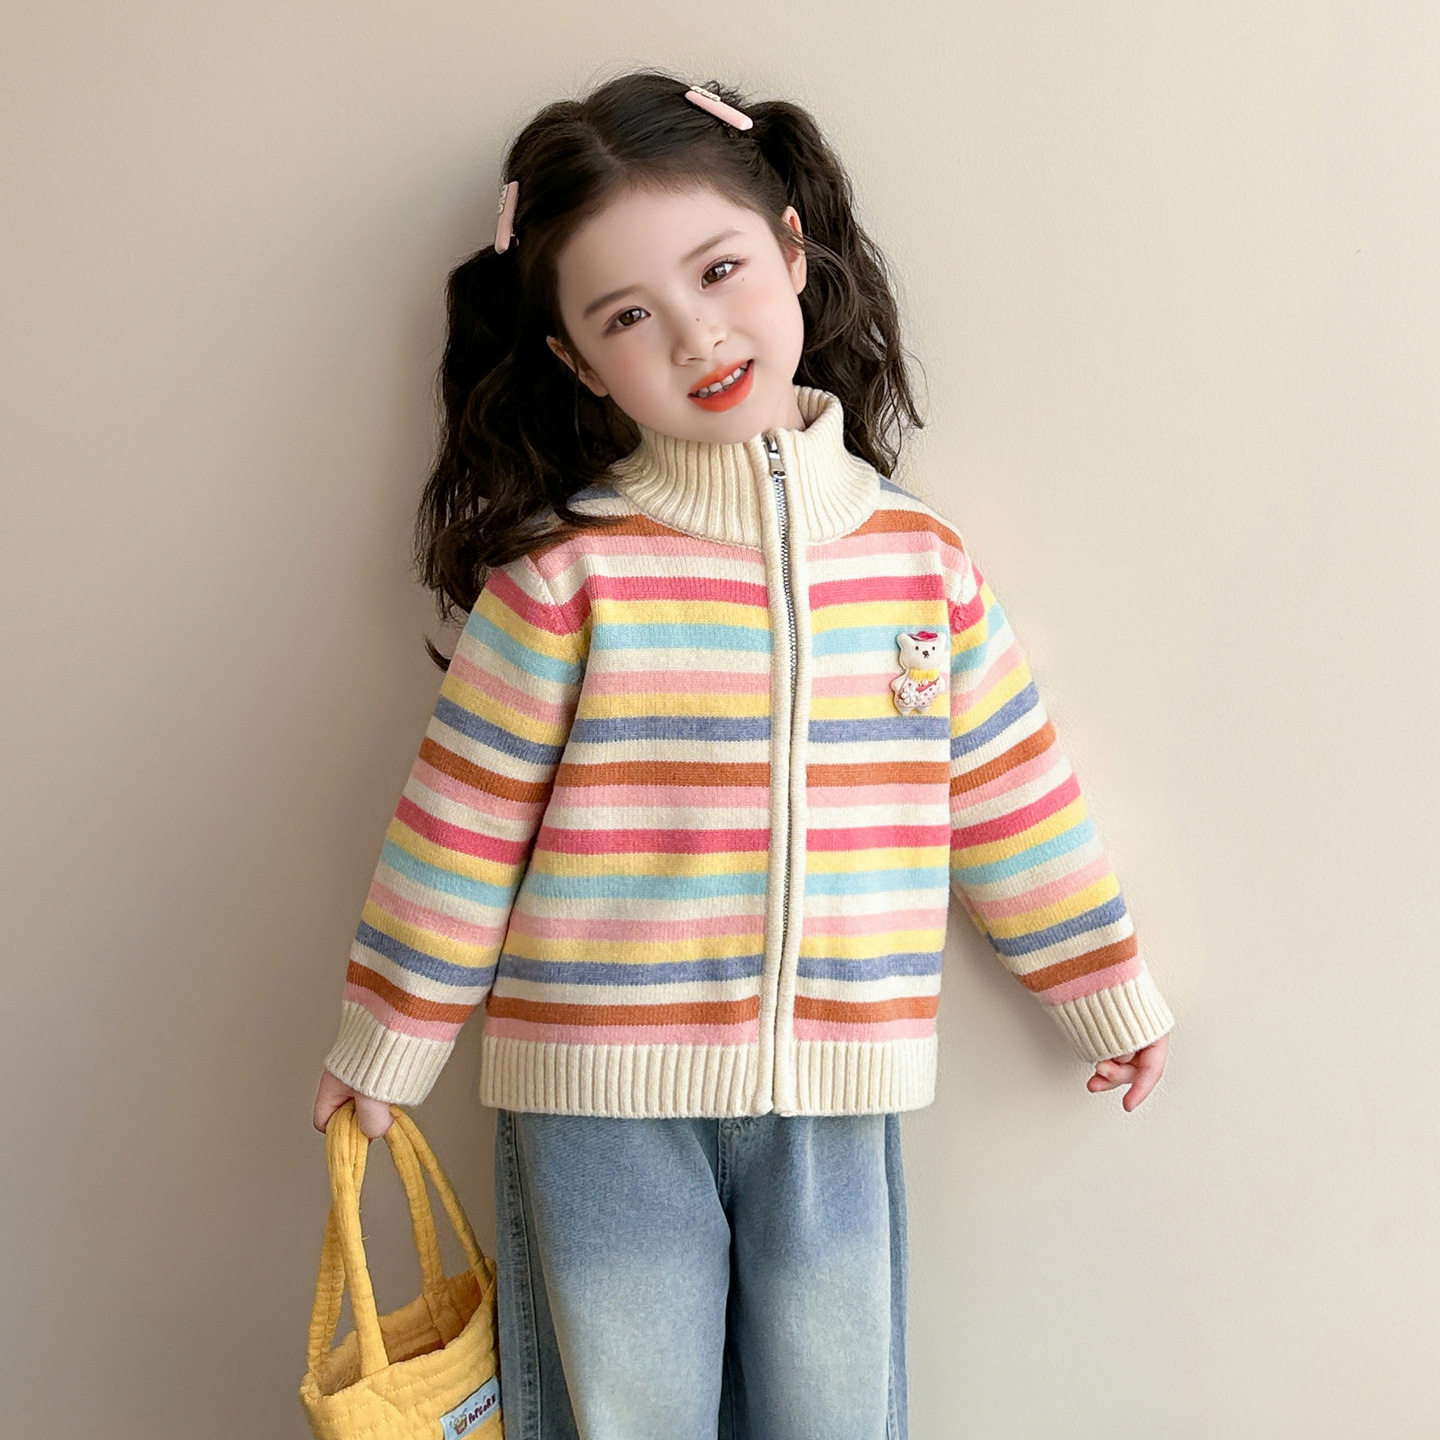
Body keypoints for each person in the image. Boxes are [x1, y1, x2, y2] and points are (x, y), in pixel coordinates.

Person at [310, 68, 1175, 1440]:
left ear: (791, 249)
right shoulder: (567, 579)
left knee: (835, 1414)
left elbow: (1008, 795)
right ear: (577, 363)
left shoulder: (919, 564)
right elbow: (459, 830)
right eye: (627, 316)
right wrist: (389, 1037)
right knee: (624, 1416)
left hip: (836, 1091)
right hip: (597, 1102)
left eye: (719, 271)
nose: (696, 333)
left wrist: (1103, 987)